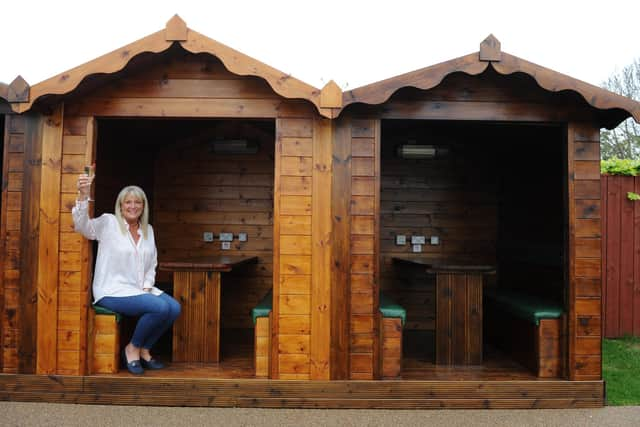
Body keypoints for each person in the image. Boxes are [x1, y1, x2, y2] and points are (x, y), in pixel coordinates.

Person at [73, 171, 180, 375]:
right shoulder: (108, 223)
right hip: (112, 290)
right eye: (128, 202)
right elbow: (83, 227)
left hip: (139, 288)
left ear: (143, 206)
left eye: (137, 202)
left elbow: (152, 262)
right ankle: (132, 348)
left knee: (173, 308)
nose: (132, 206)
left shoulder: (148, 229)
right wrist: (82, 195)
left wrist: (148, 285)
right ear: (120, 206)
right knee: (159, 307)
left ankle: (144, 349)